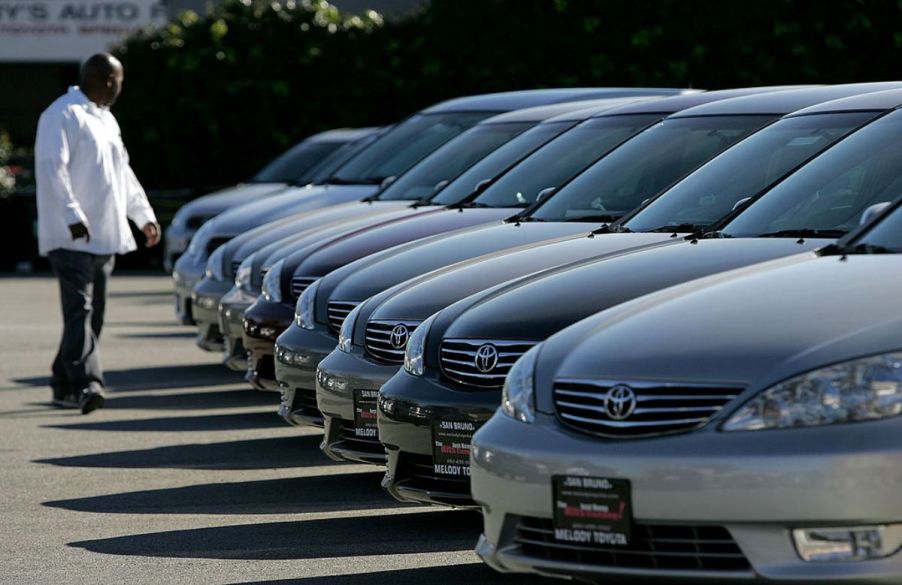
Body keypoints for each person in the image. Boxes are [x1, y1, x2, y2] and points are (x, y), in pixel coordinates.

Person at [35, 53, 160, 414]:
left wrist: (143, 215)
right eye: (119, 81)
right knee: (80, 310)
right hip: (69, 235)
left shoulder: (106, 120)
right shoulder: (62, 114)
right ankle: (86, 385)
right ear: (107, 80)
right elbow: (50, 167)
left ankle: (61, 380)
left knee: (94, 314)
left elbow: (123, 174)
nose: (121, 87)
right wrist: (72, 214)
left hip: (105, 234)